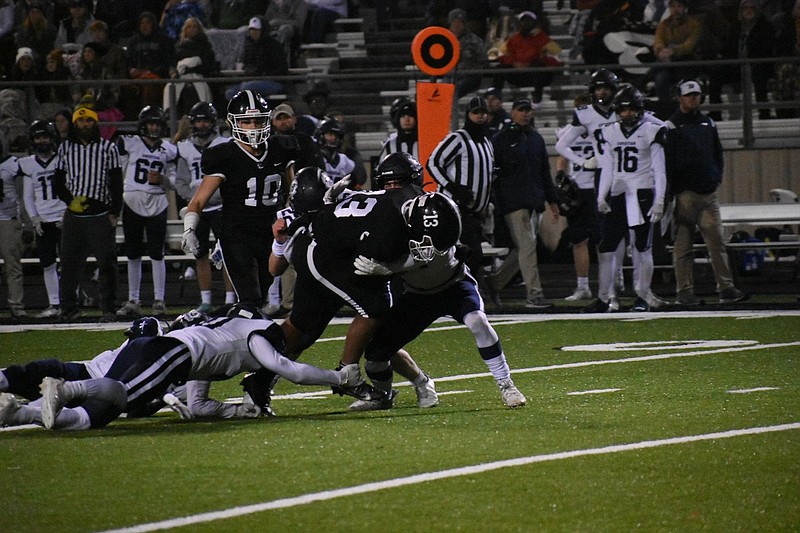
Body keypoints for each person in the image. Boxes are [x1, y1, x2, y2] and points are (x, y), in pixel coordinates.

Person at [353, 167, 528, 410]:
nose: (393, 189)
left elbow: (437, 251)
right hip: (416, 294)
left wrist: (390, 268)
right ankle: (400, 390)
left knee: (478, 321)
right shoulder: (383, 218)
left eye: (398, 183)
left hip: (452, 285)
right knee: (376, 356)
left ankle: (506, 385)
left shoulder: (433, 209)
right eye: (389, 184)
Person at [26, 305, 365, 430]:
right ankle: (65, 389)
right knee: (123, 398)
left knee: (105, 409)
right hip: (170, 354)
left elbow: (199, 405)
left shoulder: (221, 342)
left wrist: (237, 412)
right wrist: (339, 377)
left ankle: (18, 412)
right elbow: (290, 370)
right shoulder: (258, 335)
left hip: (162, 353)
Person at [181, 89, 298, 307]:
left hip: (270, 231)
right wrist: (189, 229)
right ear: (234, 123)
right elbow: (198, 201)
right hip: (237, 234)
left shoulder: (281, 148)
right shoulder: (224, 155)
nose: (253, 127)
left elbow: (294, 192)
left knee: (260, 297)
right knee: (250, 298)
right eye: (246, 122)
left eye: (258, 120)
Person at [665, 79, 747, 305]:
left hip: (707, 194)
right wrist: (674, 190)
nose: (693, 98)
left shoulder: (708, 124)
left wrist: (716, 177)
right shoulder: (671, 126)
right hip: (685, 195)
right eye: (689, 95)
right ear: (680, 97)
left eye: (696, 95)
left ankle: (726, 288)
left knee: (717, 243)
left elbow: (717, 154)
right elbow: (667, 162)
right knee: (683, 246)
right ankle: (684, 290)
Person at [594, 85, 669, 312]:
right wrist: (601, 196)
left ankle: (643, 295)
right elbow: (607, 167)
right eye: (623, 110)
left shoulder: (651, 130)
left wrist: (659, 199)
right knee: (608, 248)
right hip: (618, 193)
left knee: (642, 247)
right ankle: (605, 297)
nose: (627, 114)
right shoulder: (609, 132)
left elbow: (660, 169)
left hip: (642, 193)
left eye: (631, 110)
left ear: (640, 109)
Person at [52, 106, 123, 322]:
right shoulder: (65, 148)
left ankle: (109, 309)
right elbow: (58, 180)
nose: (86, 125)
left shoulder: (108, 148)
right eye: (82, 121)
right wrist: (69, 201)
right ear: (75, 124)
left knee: (107, 264)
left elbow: (116, 182)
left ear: (95, 124)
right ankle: (69, 309)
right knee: (69, 264)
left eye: (90, 121)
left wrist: (114, 213)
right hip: (74, 216)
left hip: (100, 214)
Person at [487, 98, 559, 310]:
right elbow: (493, 173)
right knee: (527, 247)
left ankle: (493, 283)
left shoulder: (535, 138)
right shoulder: (501, 139)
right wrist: (495, 199)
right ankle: (534, 295)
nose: (525, 114)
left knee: (524, 249)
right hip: (513, 201)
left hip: (534, 200)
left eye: (528, 110)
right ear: (513, 112)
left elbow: (544, 172)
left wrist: (552, 200)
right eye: (521, 110)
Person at [427, 96, 495, 297]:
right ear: (468, 115)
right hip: (454, 209)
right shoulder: (458, 138)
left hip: (474, 212)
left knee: (467, 255)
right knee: (470, 255)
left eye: (483, 112)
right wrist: (453, 188)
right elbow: (433, 162)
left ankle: (460, 294)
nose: (480, 116)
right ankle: (466, 295)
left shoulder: (486, 142)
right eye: (476, 113)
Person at [172, 101, 237, 313]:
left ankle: (229, 299)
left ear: (213, 122)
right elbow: (180, 181)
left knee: (227, 253)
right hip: (197, 210)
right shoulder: (185, 148)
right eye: (198, 121)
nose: (202, 125)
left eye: (205, 120)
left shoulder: (224, 143)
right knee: (199, 254)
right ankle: (206, 300)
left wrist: (216, 194)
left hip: (221, 207)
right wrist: (195, 198)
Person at [115, 105, 177, 319]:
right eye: (150, 123)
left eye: (157, 123)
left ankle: (159, 300)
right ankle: (134, 299)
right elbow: (118, 169)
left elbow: (174, 182)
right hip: (132, 199)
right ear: (143, 125)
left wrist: (162, 180)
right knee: (133, 253)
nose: (153, 127)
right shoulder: (130, 143)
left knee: (157, 253)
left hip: (157, 200)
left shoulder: (169, 149)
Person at [20, 120, 65, 319]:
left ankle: (69, 303)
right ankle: (54, 303)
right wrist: (34, 218)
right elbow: (28, 195)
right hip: (44, 220)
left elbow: (71, 186)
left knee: (69, 262)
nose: (42, 141)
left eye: (45, 136)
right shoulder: (29, 164)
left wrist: (68, 213)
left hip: (63, 217)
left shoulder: (62, 159)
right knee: (47, 263)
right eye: (38, 137)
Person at [707, 0, 777, 122]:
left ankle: (764, 113)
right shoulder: (736, 27)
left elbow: (766, 49)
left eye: (751, 8)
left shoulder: (765, 26)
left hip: (758, 64)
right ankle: (715, 112)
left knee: (758, 76)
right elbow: (728, 48)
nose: (748, 10)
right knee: (716, 74)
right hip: (737, 65)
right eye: (745, 8)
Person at [492, 10, 562, 105]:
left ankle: (537, 99)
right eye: (523, 21)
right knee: (499, 69)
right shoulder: (513, 39)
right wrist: (514, 63)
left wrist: (534, 62)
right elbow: (501, 54)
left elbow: (556, 54)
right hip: (518, 74)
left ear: (534, 23)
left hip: (535, 74)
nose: (526, 24)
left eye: (529, 21)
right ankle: (494, 97)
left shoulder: (543, 38)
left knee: (539, 66)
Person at [650, 0, 702, 114]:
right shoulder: (663, 24)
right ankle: (667, 112)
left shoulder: (693, 24)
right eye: (673, 7)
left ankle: (644, 78)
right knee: (661, 79)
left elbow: (690, 45)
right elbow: (658, 41)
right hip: (667, 64)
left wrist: (672, 51)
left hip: (687, 62)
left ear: (684, 8)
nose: (676, 9)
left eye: (679, 6)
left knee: (672, 71)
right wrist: (661, 51)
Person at [224, 16, 289, 100]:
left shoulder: (273, 45)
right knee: (230, 93)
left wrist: (263, 73)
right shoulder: (249, 46)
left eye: (256, 30)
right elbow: (246, 65)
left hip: (274, 81)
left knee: (247, 87)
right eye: (251, 29)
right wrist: (249, 71)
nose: (253, 32)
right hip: (253, 80)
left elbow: (282, 68)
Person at [124, 11, 176, 115]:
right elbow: (128, 62)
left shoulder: (164, 41)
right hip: (138, 77)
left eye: (148, 23)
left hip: (157, 76)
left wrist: (150, 72)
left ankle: (148, 116)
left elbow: (167, 61)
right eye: (142, 23)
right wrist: (131, 70)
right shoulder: (133, 42)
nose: (145, 26)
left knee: (148, 85)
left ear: (153, 24)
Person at [164, 16, 218, 115]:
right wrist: (173, 71)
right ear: (185, 29)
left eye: (194, 27)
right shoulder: (178, 46)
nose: (191, 29)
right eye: (189, 27)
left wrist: (194, 66)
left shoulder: (205, 46)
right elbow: (172, 64)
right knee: (169, 87)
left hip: (199, 77)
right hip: (181, 77)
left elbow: (209, 64)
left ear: (199, 29)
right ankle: (169, 114)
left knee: (198, 90)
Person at [0, 152, 26, 318]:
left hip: (8, 219)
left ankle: (16, 305)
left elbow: (22, 194)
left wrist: (26, 222)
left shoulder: (13, 164)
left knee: (12, 266)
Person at [445, 8, 486, 98]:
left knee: (453, 92)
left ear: (464, 24)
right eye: (454, 22)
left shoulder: (475, 40)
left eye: (460, 22)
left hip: (470, 77)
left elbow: (483, 60)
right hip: (449, 76)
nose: (457, 25)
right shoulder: (444, 40)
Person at [14, 0, 57, 71]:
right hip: (28, 56)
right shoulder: (22, 29)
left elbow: (51, 46)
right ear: (28, 14)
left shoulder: (50, 29)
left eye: (37, 12)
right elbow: (21, 45)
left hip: (45, 57)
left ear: (42, 14)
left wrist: (41, 56)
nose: (35, 15)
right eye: (32, 12)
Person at [264, 0, 307, 66]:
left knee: (284, 29)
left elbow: (298, 23)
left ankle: (280, 62)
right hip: (272, 31)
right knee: (244, 30)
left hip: (293, 34)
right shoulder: (273, 4)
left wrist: (277, 22)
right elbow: (266, 21)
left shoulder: (300, 3)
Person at [314, 117, 355, 183]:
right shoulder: (314, 158)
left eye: (336, 135)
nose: (333, 138)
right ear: (321, 136)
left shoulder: (344, 160)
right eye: (330, 134)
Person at [379, 97, 418, 161]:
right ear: (397, 120)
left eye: (410, 115)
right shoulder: (390, 145)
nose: (407, 119)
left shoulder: (424, 143)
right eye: (403, 116)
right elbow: (381, 168)